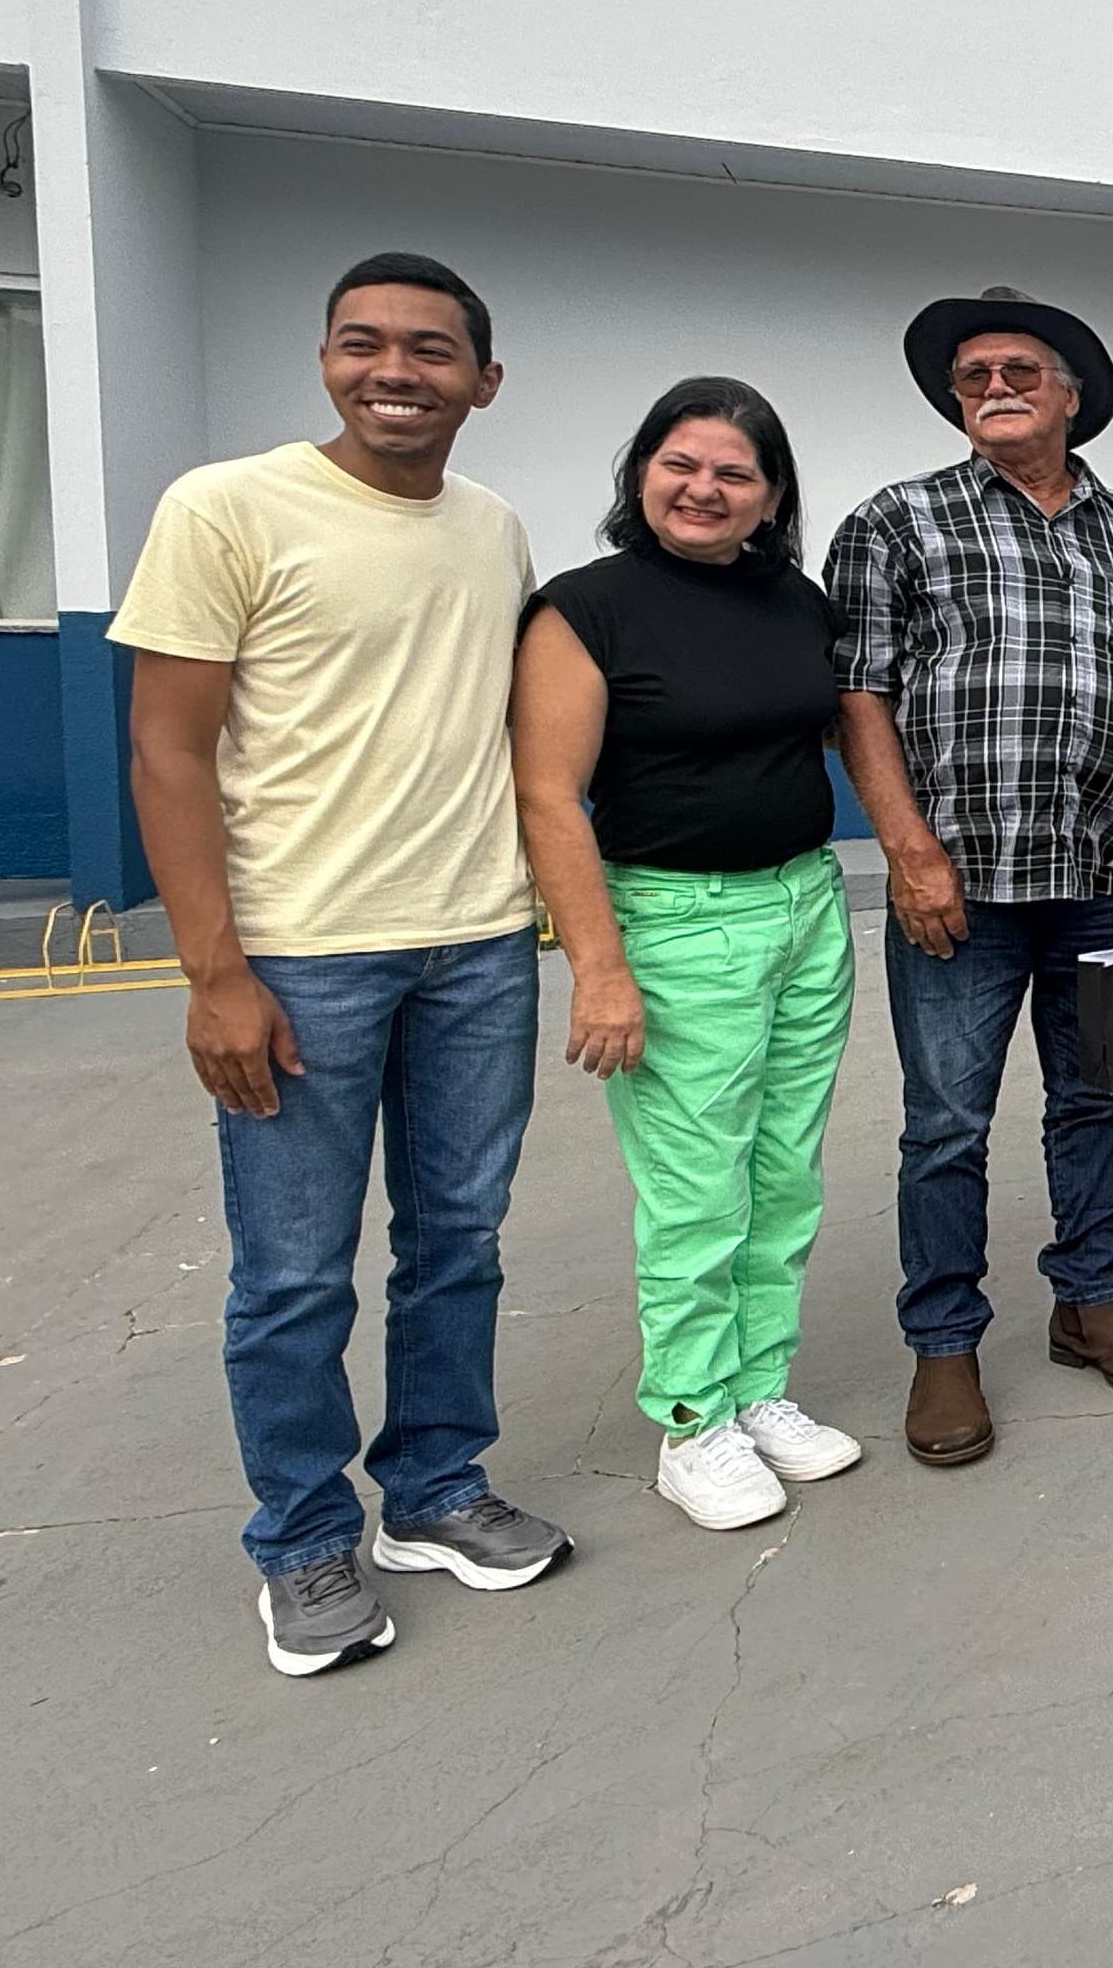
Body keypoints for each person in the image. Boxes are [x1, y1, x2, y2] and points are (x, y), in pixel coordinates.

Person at [115, 251, 572, 1677]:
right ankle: (305, 1540)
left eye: (431, 350)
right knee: (296, 1275)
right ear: (324, 360)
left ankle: (433, 1490)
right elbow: (167, 752)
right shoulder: (226, 507)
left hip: (477, 943)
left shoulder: (492, 529)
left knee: (458, 1244)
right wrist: (214, 974)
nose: (395, 371)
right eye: (362, 343)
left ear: (483, 382)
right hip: (304, 957)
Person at [830, 289, 1113, 1469]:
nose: (994, 387)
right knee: (946, 1122)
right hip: (962, 879)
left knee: (1101, 1097)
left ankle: (1091, 1301)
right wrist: (907, 850)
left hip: (1106, 869)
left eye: (1019, 371)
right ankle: (945, 1343)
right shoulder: (898, 521)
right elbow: (860, 693)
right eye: (974, 375)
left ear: (1071, 397)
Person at [515, 379, 862, 1530]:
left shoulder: (796, 602)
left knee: (784, 1175)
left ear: (772, 497)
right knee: (695, 1188)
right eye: (681, 464)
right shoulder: (585, 610)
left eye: (733, 473)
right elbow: (548, 796)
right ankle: (691, 1418)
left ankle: (758, 1388)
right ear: (641, 472)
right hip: (673, 922)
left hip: (806, 909)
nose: (703, 489)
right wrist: (599, 967)